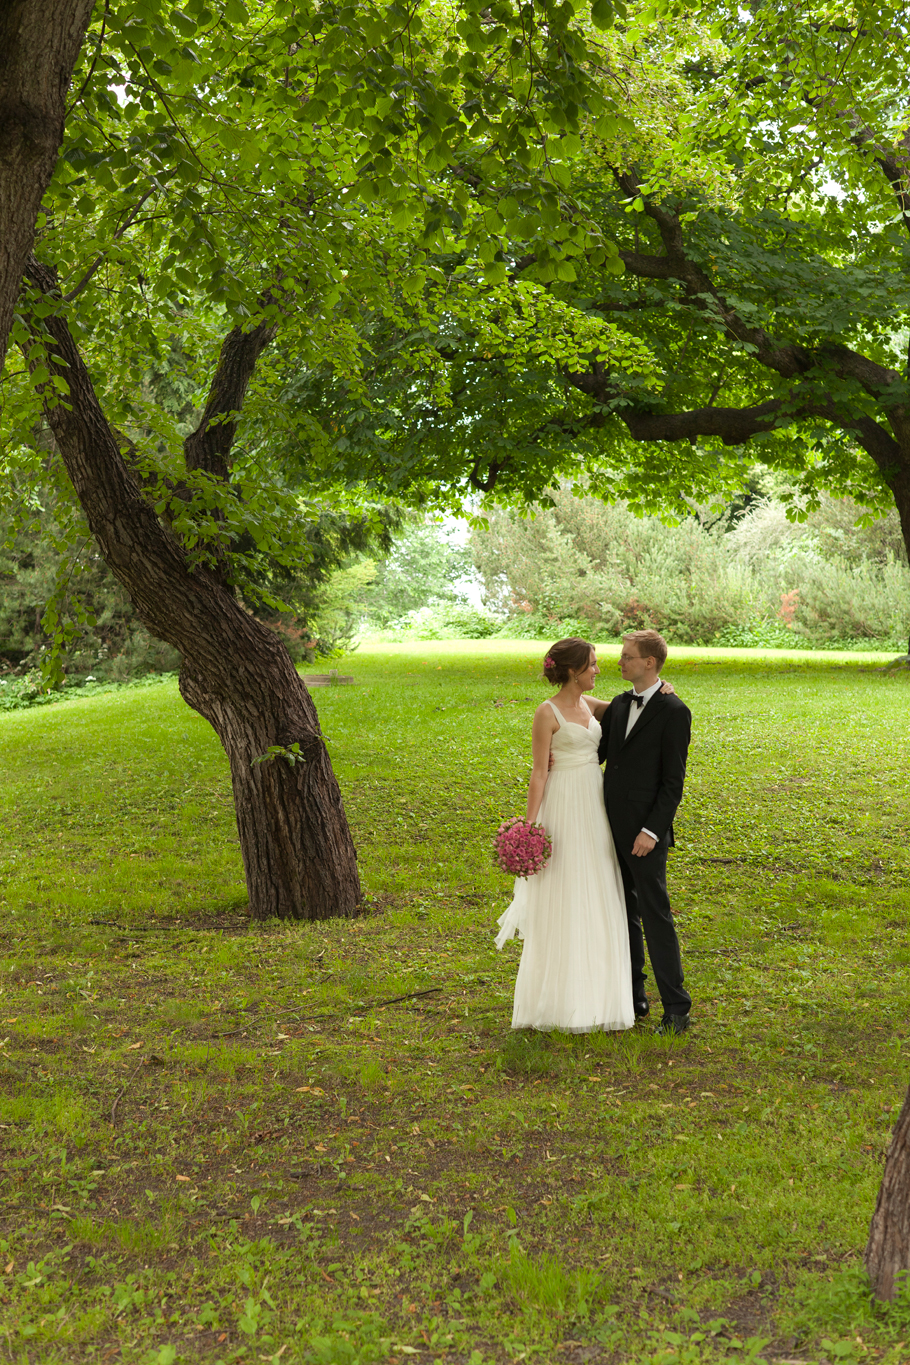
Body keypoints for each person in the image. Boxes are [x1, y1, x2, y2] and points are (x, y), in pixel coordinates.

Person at [495, 637, 674, 1033]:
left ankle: (605, 992)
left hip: (596, 808)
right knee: (567, 890)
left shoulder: (591, 707)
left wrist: (663, 689)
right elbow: (539, 772)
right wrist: (530, 824)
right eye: (592, 664)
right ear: (574, 670)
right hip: (563, 804)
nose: (599, 669)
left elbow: (636, 713)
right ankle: (562, 1000)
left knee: (600, 889)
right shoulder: (547, 712)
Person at [598, 630, 692, 1035]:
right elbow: (599, 752)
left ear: (649, 662)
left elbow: (673, 782)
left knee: (655, 916)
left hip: (644, 834)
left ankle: (677, 1008)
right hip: (607, 826)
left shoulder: (674, 711)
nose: (619, 662)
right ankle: (634, 995)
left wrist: (652, 831)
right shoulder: (619, 704)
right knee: (622, 913)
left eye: (627, 656)